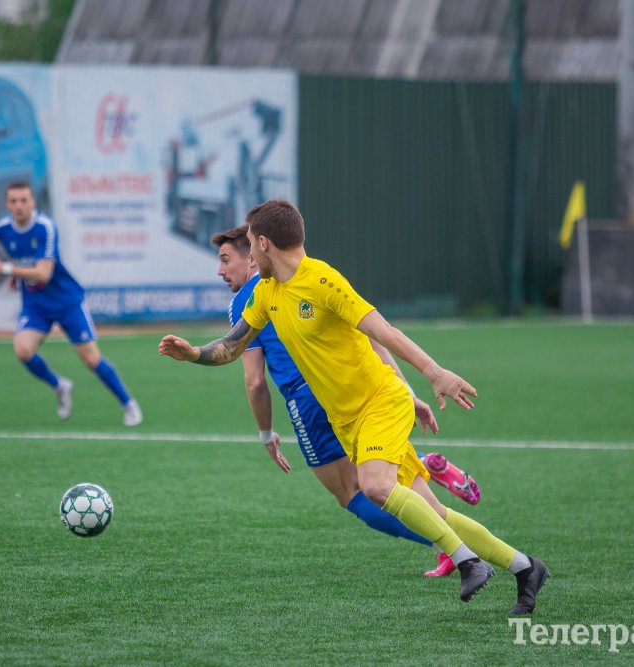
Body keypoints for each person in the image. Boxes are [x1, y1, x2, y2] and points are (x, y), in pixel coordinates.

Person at [161, 200, 548, 614]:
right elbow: (232, 345)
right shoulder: (267, 293)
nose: (251, 256)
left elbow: (383, 331)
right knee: (434, 512)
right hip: (347, 420)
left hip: (380, 401)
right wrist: (194, 354)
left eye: (252, 245)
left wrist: (434, 373)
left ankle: (466, 560)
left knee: (374, 487)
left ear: (265, 243)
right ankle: (525, 567)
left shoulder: (323, 280)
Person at [211, 224, 481, 578]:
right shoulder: (315, 277)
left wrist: (266, 433)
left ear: (255, 253)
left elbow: (255, 380)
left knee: (351, 492)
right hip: (361, 386)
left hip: (308, 400)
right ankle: (425, 468)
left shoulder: (249, 300)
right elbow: (370, 335)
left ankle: (445, 544)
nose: (220, 270)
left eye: (226, 259)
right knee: (379, 469)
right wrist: (407, 391)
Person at [0, 181, 142, 426]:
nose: (19, 206)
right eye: (13, 201)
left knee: (91, 358)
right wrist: (17, 275)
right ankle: (60, 386)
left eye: (24, 200)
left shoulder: (45, 227)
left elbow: (44, 273)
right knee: (23, 350)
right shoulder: (2, 229)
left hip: (66, 301)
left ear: (33, 202)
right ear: (7, 204)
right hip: (36, 305)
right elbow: (21, 259)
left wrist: (7, 270)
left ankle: (128, 403)